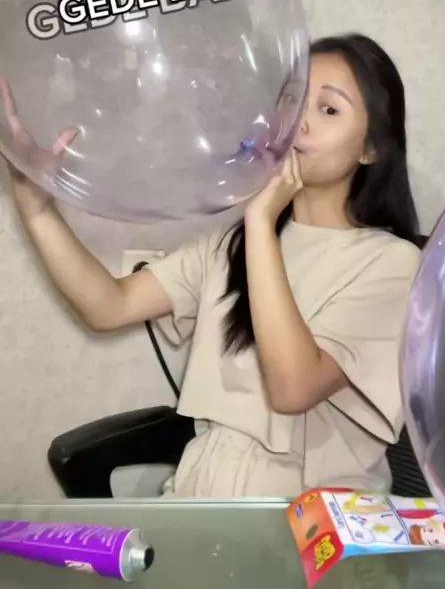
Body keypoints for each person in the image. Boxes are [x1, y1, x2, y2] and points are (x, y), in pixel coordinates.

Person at [0, 32, 422, 499]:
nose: (300, 122)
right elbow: (109, 306)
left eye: (328, 109)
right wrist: (37, 209)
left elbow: (293, 388)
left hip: (314, 517)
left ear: (371, 149)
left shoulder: (394, 264)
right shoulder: (229, 244)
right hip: (200, 495)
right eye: (294, 101)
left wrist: (260, 221)